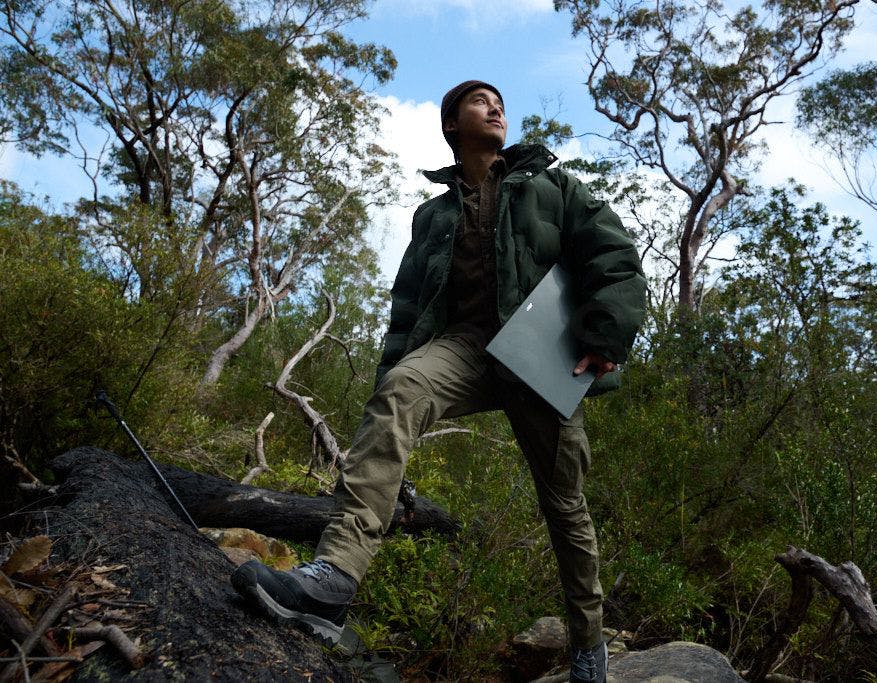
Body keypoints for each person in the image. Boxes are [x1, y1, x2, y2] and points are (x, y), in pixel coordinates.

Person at [231, 80, 646, 682]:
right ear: (452, 125)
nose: (496, 107)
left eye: (500, 100)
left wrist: (606, 336)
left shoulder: (550, 188)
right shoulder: (434, 215)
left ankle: (587, 647)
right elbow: (406, 310)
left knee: (565, 505)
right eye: (480, 101)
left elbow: (613, 254)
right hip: (466, 347)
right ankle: (335, 577)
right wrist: (386, 379)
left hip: (540, 353)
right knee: (400, 392)